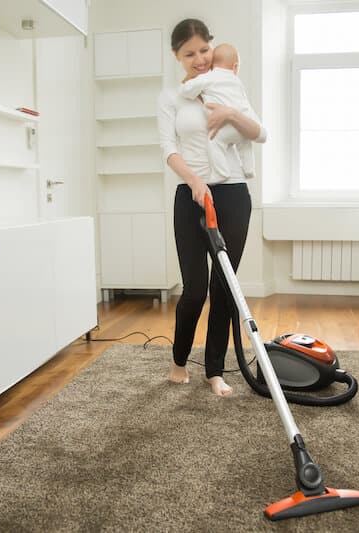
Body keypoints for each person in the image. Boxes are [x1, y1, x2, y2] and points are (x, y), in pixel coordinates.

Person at [157, 19, 267, 396]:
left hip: (233, 195)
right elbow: (169, 149)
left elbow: (259, 132)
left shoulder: (231, 86)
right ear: (177, 56)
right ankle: (178, 359)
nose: (200, 59)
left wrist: (230, 114)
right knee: (195, 288)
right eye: (190, 53)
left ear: (211, 47)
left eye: (204, 50)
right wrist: (195, 182)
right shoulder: (171, 97)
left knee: (225, 287)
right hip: (191, 197)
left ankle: (215, 371)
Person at [178, 43, 257, 179]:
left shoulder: (209, 77)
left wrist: (184, 87)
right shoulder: (236, 81)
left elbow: (187, 90)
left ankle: (221, 173)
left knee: (214, 143)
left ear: (212, 65)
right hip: (240, 124)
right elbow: (244, 103)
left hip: (223, 128)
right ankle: (249, 168)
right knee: (245, 144)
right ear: (235, 66)